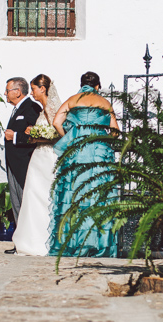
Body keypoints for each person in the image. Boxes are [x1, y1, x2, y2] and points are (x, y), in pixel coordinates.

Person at [49, 71, 120, 257]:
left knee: (75, 194)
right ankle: (98, 245)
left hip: (77, 153)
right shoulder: (104, 103)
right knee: (98, 194)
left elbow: (57, 122)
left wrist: (71, 137)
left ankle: (72, 243)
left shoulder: (72, 100)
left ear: (81, 85)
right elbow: (115, 131)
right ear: (98, 86)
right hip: (98, 153)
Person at [11, 74, 62, 256]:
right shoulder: (42, 109)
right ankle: (31, 239)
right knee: (33, 197)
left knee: (43, 197)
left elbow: (58, 134)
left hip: (47, 157)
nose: (31, 93)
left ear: (43, 88)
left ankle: (42, 241)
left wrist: (34, 135)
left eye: (33, 89)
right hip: (38, 157)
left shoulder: (51, 109)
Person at [3, 76, 42, 254]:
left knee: (25, 204)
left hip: (24, 164)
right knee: (16, 204)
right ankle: (21, 243)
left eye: (8, 90)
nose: (5, 94)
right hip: (13, 163)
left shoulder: (32, 108)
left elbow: (38, 135)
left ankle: (29, 242)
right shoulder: (17, 109)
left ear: (17, 92)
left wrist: (15, 137)